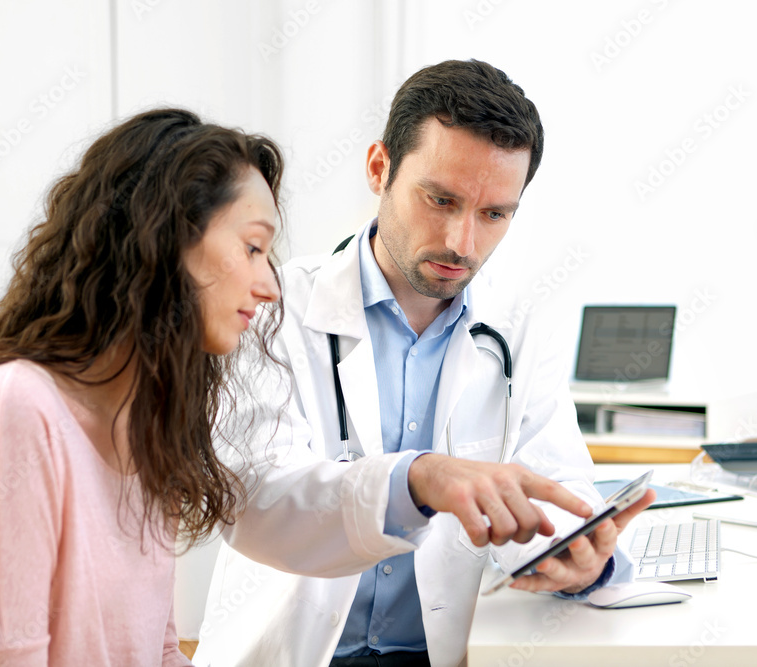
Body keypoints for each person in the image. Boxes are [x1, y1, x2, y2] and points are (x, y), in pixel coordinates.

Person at [194, 59, 655, 667]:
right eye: (440, 199)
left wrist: (577, 554)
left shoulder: (517, 328)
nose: (462, 242)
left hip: (444, 652)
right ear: (379, 168)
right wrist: (417, 478)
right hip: (298, 652)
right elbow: (254, 496)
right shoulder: (270, 305)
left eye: (494, 215)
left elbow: (554, 483)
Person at [0, 108, 288, 665]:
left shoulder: (148, 425)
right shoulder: (12, 410)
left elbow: (158, 650)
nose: (269, 286)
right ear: (165, 240)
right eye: (253, 247)